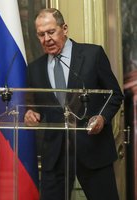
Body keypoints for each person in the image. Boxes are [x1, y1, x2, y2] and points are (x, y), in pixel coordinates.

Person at [24, 8, 123, 200]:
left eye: (51, 32)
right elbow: (36, 106)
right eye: (41, 35)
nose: (47, 39)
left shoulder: (92, 54)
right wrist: (31, 113)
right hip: (55, 155)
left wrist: (102, 117)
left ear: (65, 28)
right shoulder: (34, 69)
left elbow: (114, 95)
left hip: (93, 149)